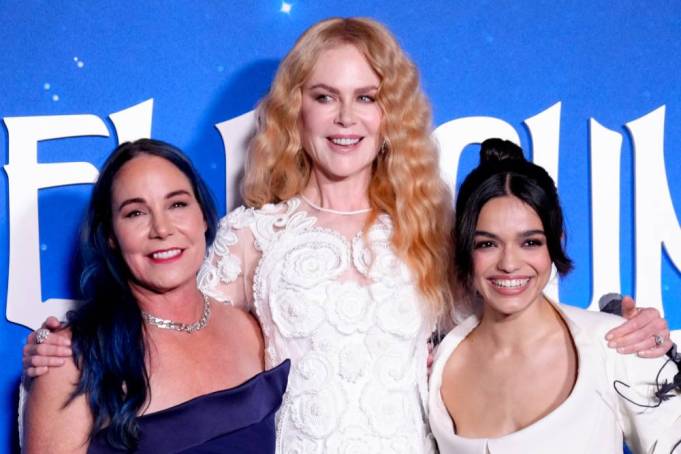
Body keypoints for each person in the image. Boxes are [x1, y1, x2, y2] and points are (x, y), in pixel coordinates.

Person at [22, 17, 672, 453]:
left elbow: (522, 314)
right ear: (294, 110)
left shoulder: (435, 232)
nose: (345, 118)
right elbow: (176, 335)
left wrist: (618, 314)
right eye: (325, 96)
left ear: (391, 114)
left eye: (367, 97)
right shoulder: (255, 236)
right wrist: (68, 347)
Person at [22, 139, 289, 453]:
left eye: (177, 204)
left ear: (203, 216)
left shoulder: (249, 330)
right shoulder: (72, 358)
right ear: (110, 236)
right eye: (135, 213)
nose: (161, 229)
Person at [429, 139, 681, 453]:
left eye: (530, 242)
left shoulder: (617, 344)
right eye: (487, 244)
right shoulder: (433, 367)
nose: (509, 264)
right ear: (465, 247)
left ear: (555, 240)